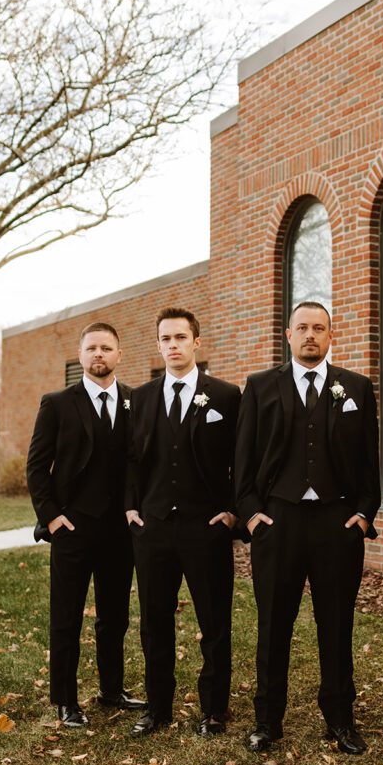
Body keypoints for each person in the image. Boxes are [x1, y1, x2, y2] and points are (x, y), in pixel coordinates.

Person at [236, 301, 381, 755]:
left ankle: (340, 719)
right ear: (288, 334)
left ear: (331, 335)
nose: (311, 335)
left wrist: (364, 513)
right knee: (273, 624)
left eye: (319, 328)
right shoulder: (260, 386)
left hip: (337, 523)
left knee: (336, 625)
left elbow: (369, 459)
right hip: (278, 521)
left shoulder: (356, 386)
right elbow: (243, 460)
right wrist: (252, 514)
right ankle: (267, 720)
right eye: (302, 327)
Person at [125, 307, 240, 737]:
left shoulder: (225, 396)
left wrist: (232, 510)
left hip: (206, 527)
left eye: (180, 337)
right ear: (158, 344)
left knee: (214, 622)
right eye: (165, 339)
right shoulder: (141, 397)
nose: (172, 345)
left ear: (196, 342)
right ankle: (157, 708)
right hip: (153, 528)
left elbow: (240, 458)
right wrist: (131, 507)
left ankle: (214, 710)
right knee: (154, 623)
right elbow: (130, 458)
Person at [27, 322, 145, 727]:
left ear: (119, 355)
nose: (99, 354)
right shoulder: (57, 403)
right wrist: (51, 517)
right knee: (66, 618)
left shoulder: (135, 401)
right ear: (80, 355)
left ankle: (111, 691)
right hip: (72, 529)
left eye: (106, 348)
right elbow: (37, 467)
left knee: (115, 617)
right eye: (92, 348)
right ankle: (65, 700)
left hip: (119, 532)